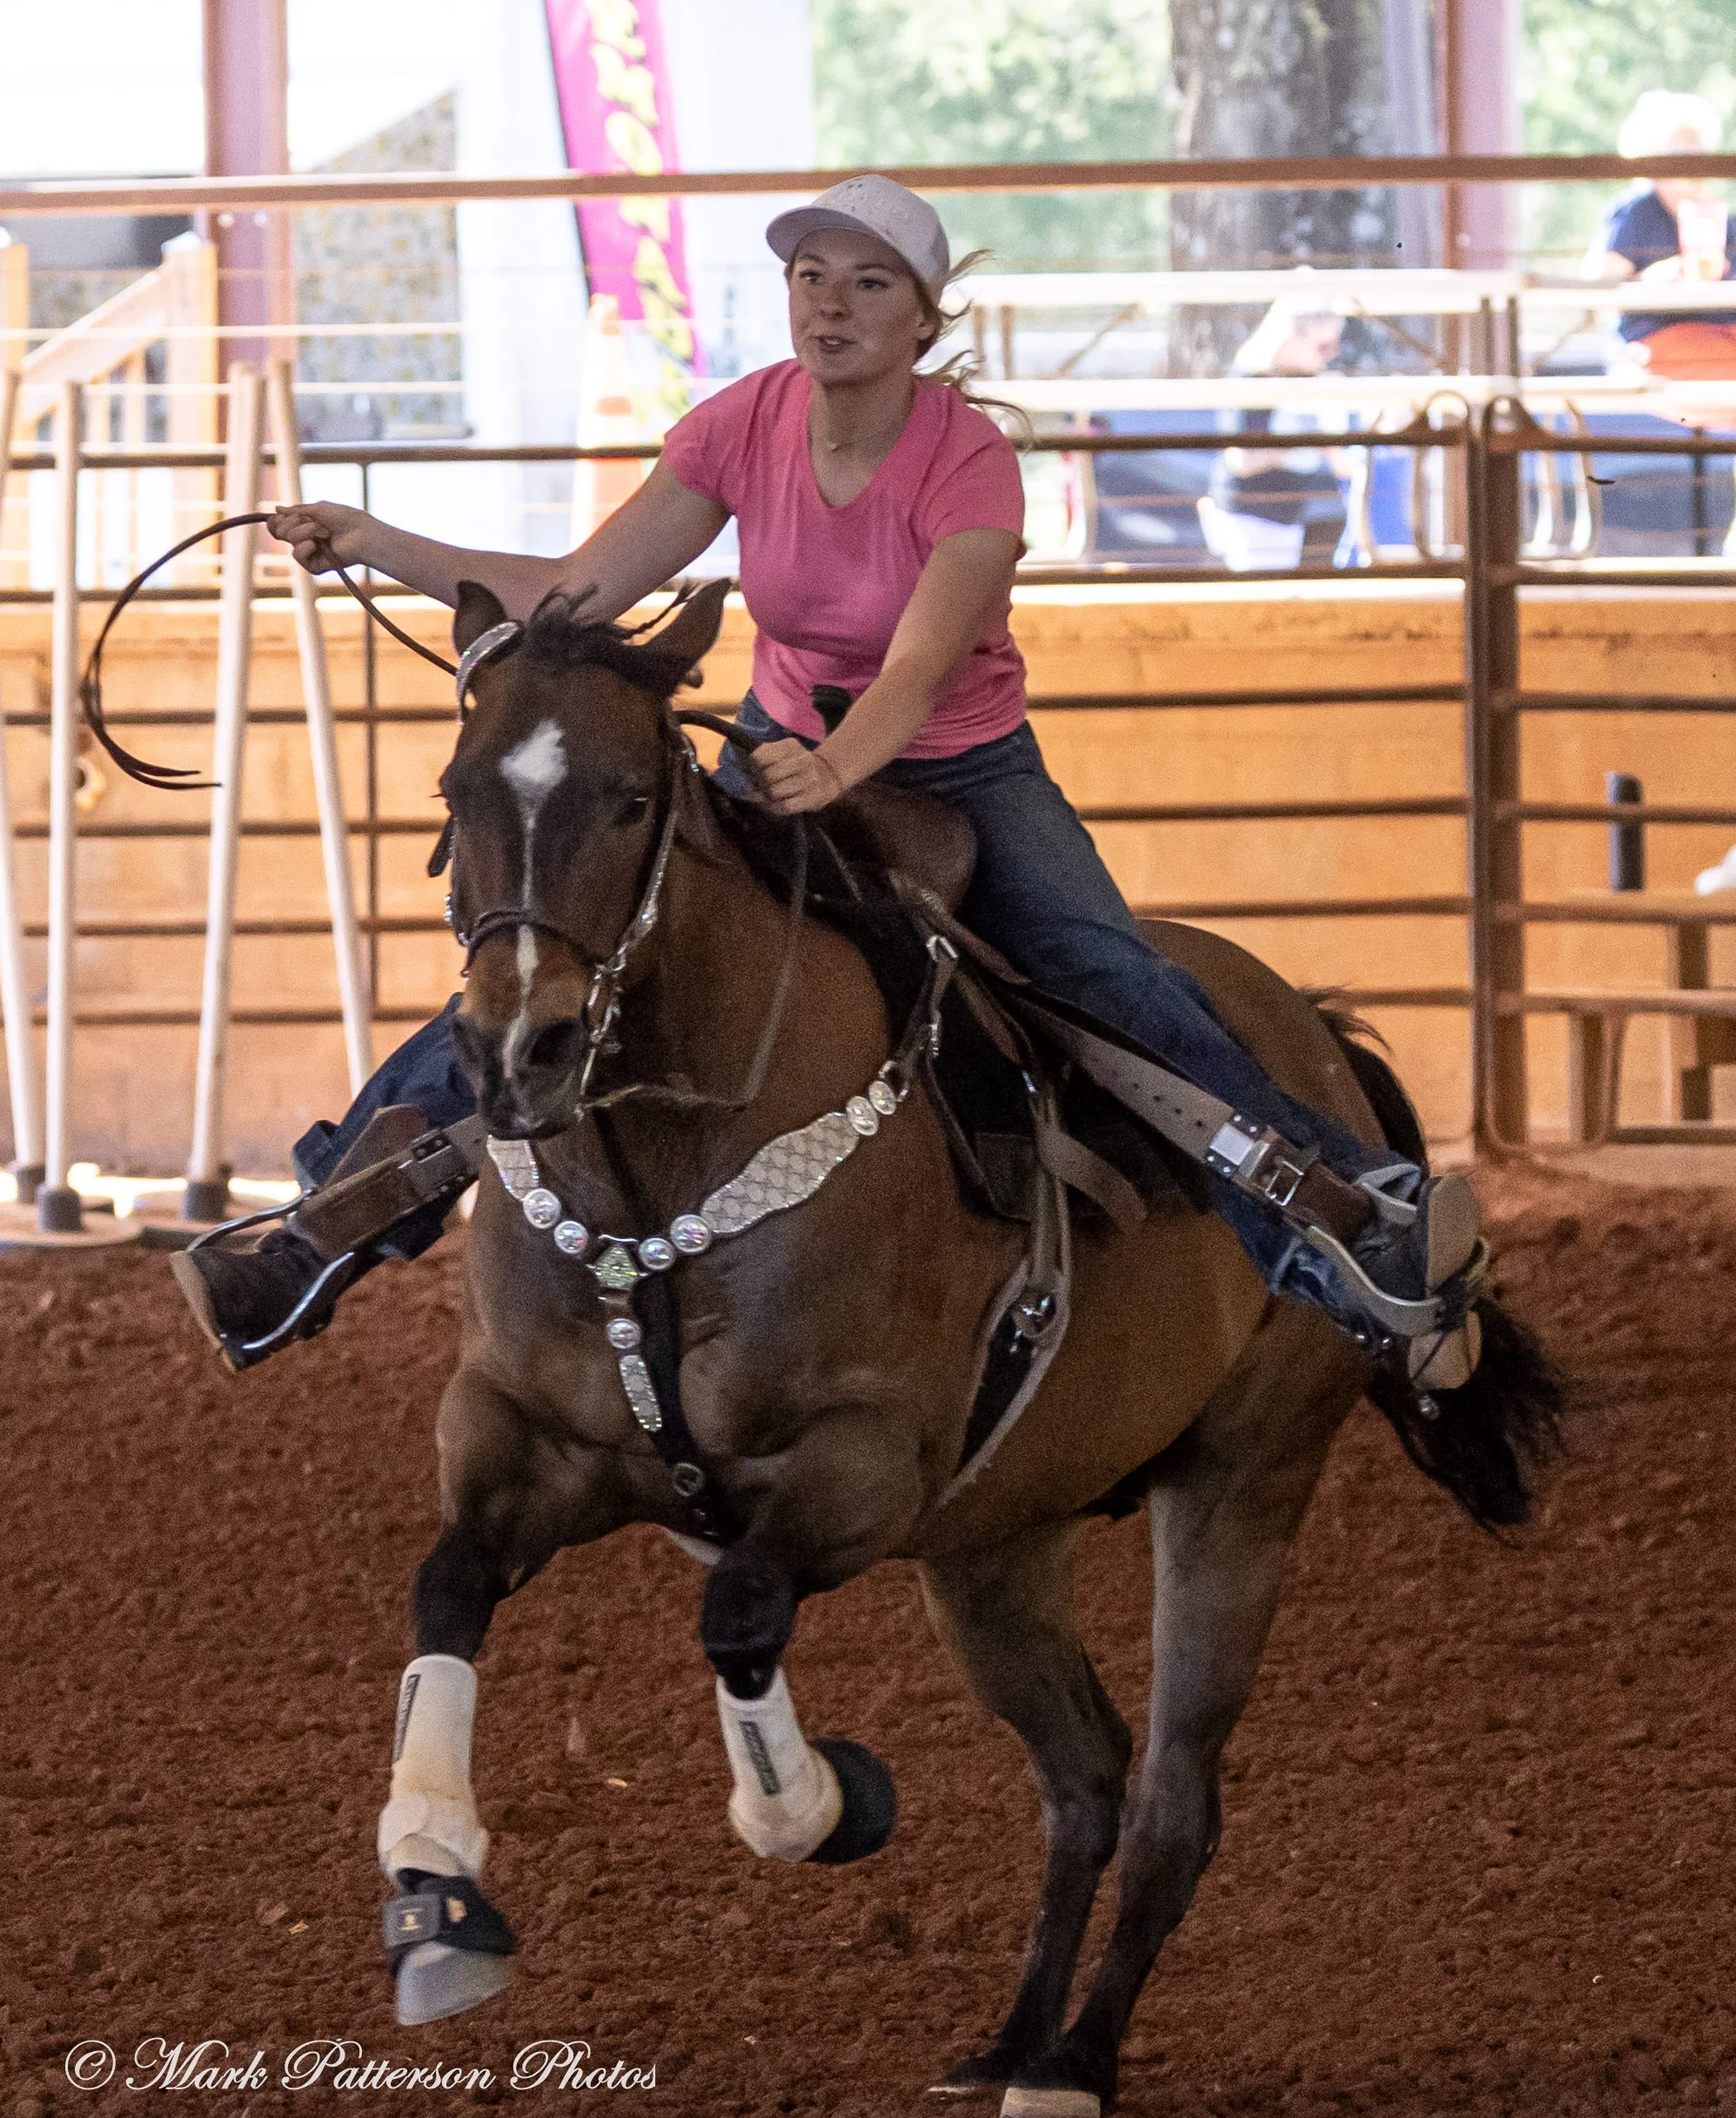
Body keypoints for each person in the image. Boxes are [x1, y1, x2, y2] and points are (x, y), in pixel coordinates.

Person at [175, 174, 1484, 1389]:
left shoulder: (966, 459)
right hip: (777, 741)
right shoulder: (739, 423)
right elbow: (571, 593)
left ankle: (1350, 1220)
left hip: (958, 763)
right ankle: (320, 1227)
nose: (830, 303)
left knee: (1103, 972)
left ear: (921, 318)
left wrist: (833, 768)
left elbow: (920, 664)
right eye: (810, 274)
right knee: (554, 949)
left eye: (866, 283)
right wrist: (373, 539)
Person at [1586, 90, 1736, 388]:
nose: (1694, 162)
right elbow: (1597, 295)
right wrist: (1658, 277)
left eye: (1700, 152)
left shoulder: (1720, 219)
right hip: (1656, 343)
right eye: (1682, 152)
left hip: (1721, 336)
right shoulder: (1638, 211)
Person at [1200, 297, 1354, 571]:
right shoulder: (1255, 380)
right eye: (1323, 346)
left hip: (1287, 515)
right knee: (1265, 601)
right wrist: (1303, 440)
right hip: (1252, 515)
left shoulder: (1307, 382)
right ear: (1292, 337)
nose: (1330, 355)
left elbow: (1342, 466)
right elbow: (1241, 461)